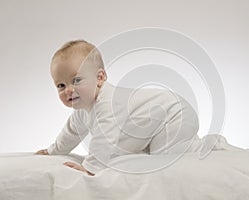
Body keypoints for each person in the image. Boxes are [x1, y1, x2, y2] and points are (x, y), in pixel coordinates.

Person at [36, 40, 200, 176]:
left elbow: (104, 140)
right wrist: (53, 150)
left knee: (162, 156)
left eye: (77, 80)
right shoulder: (81, 111)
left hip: (174, 114)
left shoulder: (108, 104)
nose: (68, 90)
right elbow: (71, 132)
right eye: (61, 85)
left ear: (100, 78)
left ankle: (198, 146)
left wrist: (90, 168)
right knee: (146, 157)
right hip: (155, 126)